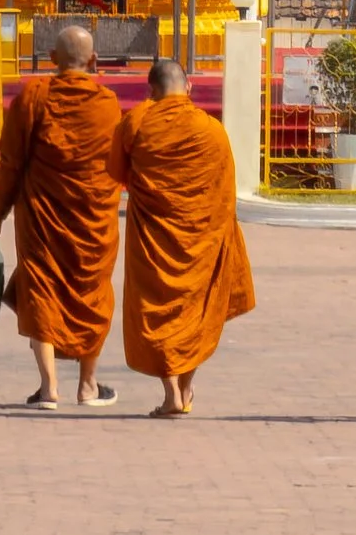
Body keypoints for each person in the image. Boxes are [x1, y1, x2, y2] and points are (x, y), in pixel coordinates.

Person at [0, 20, 125, 408]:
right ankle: (88, 386)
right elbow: (118, 163)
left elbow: (11, 162)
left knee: (41, 291)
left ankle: (49, 389)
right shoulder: (107, 104)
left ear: (51, 59)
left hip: (42, 217)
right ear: (95, 61)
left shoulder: (33, 97)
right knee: (92, 294)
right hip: (92, 219)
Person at [108, 55, 255, 417]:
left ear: (149, 91)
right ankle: (186, 387)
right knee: (196, 307)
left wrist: (149, 190)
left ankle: (171, 390)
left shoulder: (135, 123)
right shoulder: (211, 129)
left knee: (157, 307)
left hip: (154, 235)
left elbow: (115, 172)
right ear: (189, 88)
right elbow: (225, 190)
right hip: (200, 236)